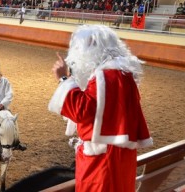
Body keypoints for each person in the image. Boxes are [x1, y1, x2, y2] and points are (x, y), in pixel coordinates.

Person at [48, 25, 153, 192]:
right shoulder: (122, 73)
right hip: (119, 154)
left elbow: (83, 111)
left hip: (103, 159)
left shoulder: (106, 76)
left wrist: (63, 79)